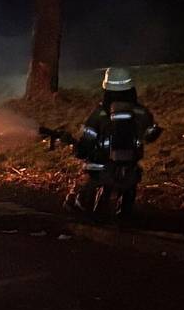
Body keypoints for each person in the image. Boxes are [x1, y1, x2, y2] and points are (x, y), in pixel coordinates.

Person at [45, 66, 162, 216]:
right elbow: (150, 135)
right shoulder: (141, 112)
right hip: (131, 171)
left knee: (80, 195)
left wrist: (76, 147)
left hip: (100, 170)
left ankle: (81, 205)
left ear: (106, 89)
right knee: (128, 195)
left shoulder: (99, 114)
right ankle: (124, 215)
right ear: (131, 88)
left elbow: (86, 143)